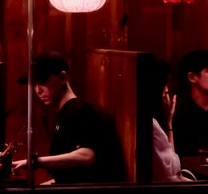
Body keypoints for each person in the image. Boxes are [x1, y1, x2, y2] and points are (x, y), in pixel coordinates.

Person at [12, 51, 124, 184]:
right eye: (35, 83)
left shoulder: (80, 110)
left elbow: (88, 156)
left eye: (43, 81)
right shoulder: (63, 113)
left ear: (63, 78)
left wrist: (36, 161)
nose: (38, 90)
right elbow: (70, 175)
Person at [144, 59, 192, 183]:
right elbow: (169, 174)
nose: (167, 90)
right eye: (164, 83)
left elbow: (173, 167)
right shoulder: (148, 124)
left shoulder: (153, 121)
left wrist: (169, 121)